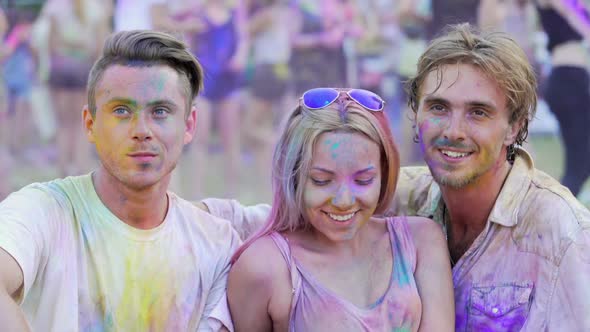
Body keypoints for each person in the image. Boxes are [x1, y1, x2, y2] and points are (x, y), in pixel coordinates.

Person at [197, 24, 590, 331]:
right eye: (438, 107)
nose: (453, 130)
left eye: (478, 112)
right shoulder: (402, 194)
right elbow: (285, 218)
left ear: (514, 126)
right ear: (416, 115)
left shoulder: (560, 231)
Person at [0, 30, 240, 331]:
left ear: (189, 125)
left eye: (161, 111)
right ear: (90, 124)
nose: (142, 130)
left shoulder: (216, 243)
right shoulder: (46, 212)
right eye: (122, 111)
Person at [225, 88, 454, 331]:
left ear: (384, 174)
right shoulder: (264, 267)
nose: (343, 200)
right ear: (293, 177)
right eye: (322, 181)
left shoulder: (421, 241)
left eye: (363, 180)